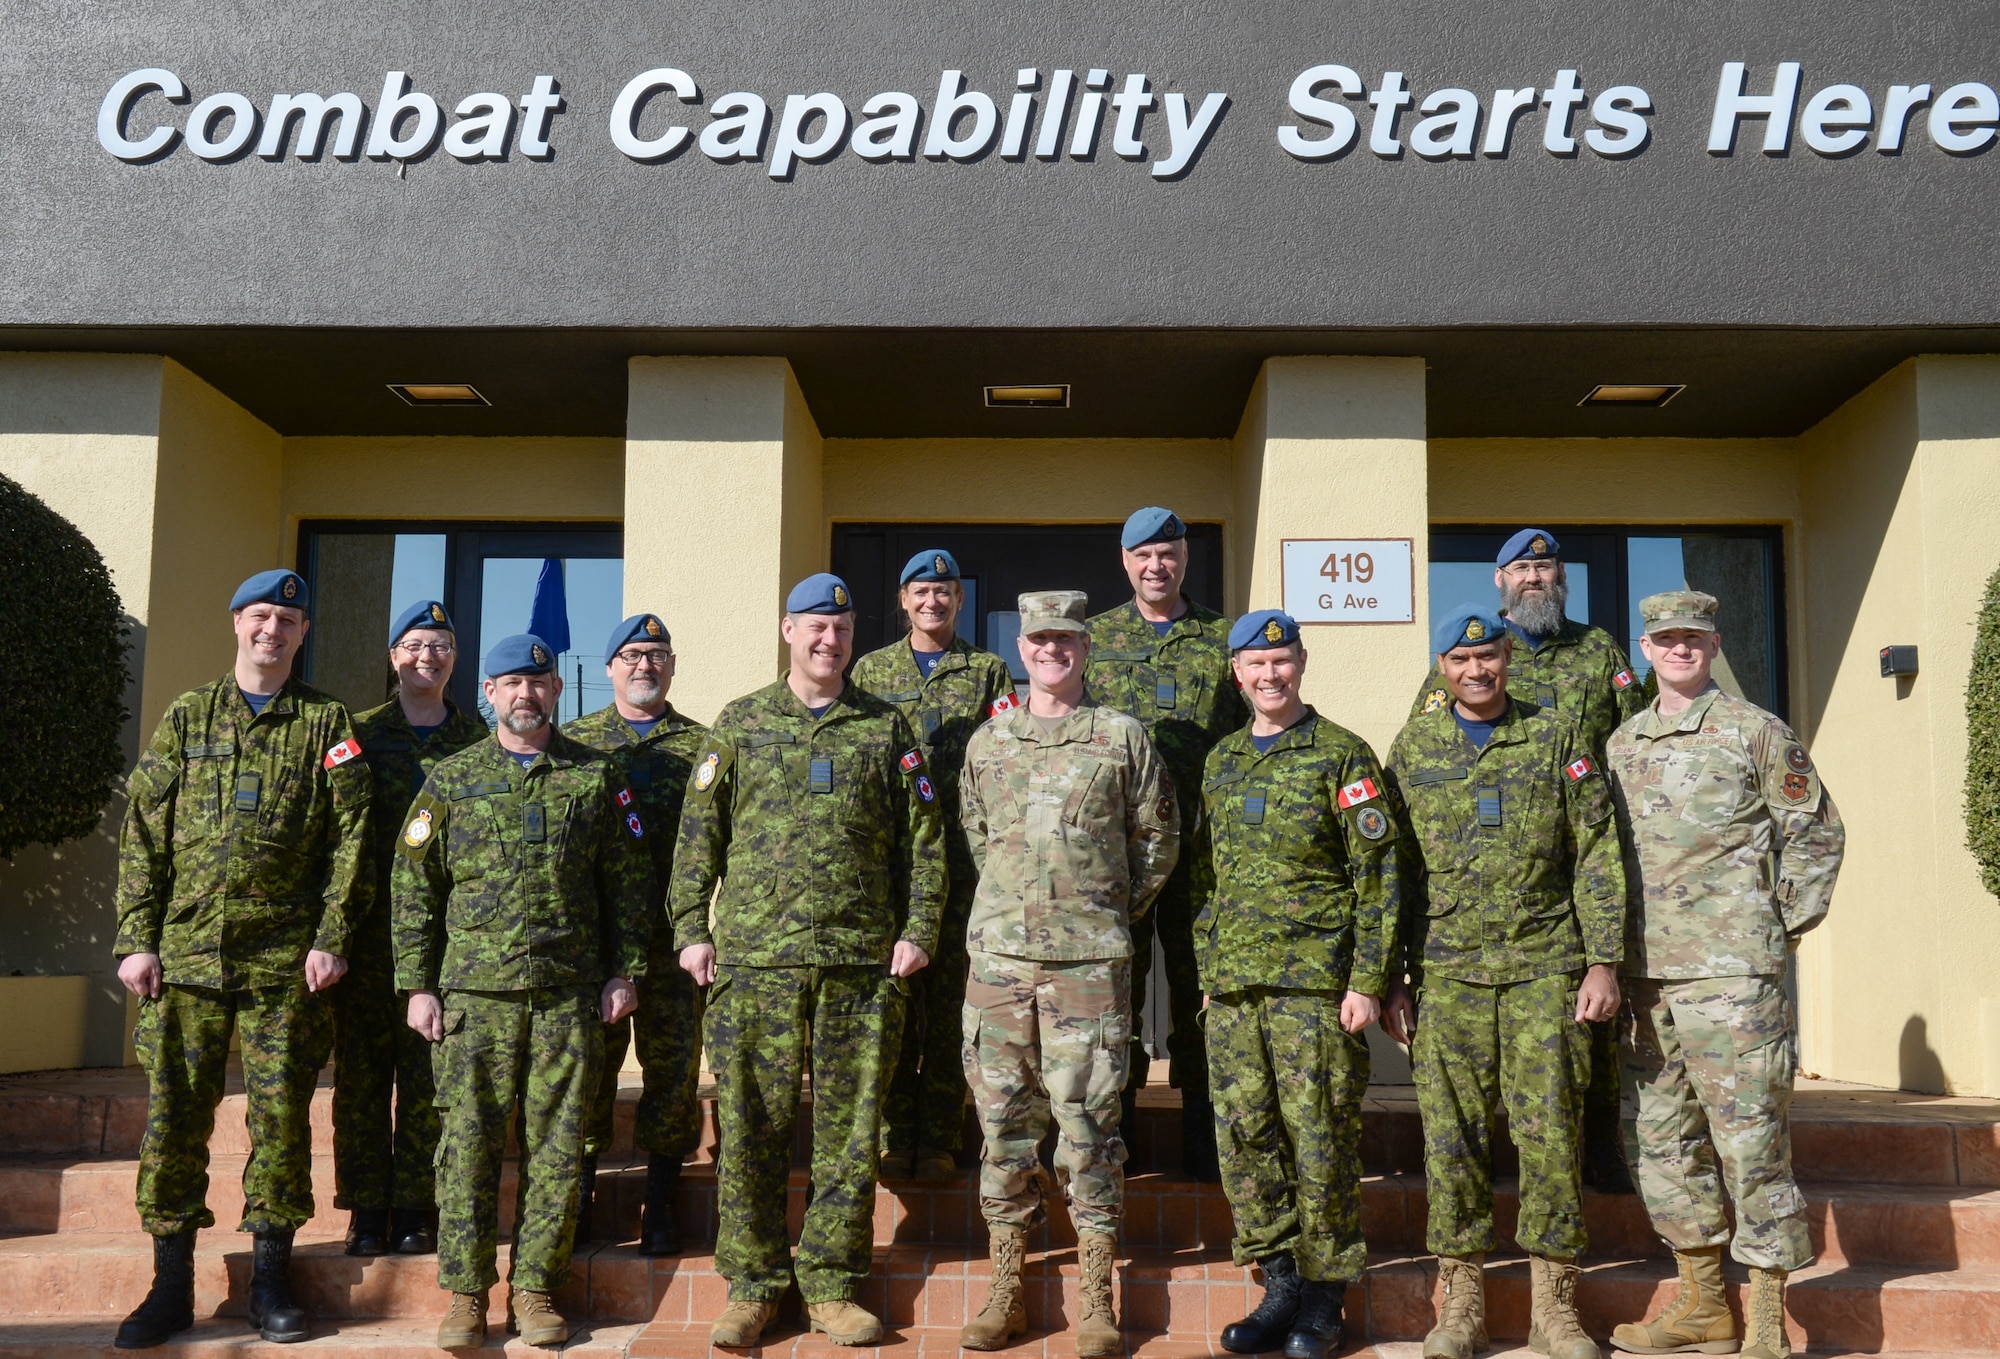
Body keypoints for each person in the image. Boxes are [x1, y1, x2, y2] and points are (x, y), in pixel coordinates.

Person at [671, 573, 945, 1350]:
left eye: (843, 628)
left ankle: (829, 1284)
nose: (830, 640)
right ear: (788, 631)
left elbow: (925, 841)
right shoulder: (741, 723)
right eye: (815, 627)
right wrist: (692, 928)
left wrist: (919, 928)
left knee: (850, 1134)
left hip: (860, 966)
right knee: (751, 1128)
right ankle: (754, 1285)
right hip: (757, 963)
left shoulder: (885, 727)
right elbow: (699, 837)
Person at [112, 568, 372, 1348]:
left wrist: (332, 936)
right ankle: (169, 1285)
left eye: (287, 621)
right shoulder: (188, 716)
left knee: (283, 1120)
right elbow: (144, 832)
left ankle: (270, 1280)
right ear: (236, 622)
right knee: (173, 1123)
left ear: (301, 634)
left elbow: (352, 839)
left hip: (284, 967)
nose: (272, 630)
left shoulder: (328, 723)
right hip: (185, 959)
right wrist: (136, 936)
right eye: (261, 615)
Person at [391, 634, 649, 1350]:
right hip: (474, 999)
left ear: (558, 692)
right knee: (467, 1148)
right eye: (511, 683)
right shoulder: (449, 778)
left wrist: (624, 970)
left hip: (566, 997)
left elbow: (626, 881)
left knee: (558, 1149)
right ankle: (466, 1295)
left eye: (538, 683)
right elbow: (413, 885)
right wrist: (416, 983)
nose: (526, 695)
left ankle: (536, 1288)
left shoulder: (596, 778)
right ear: (490, 692)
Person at [1383, 606, 1627, 1359]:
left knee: (1550, 1130)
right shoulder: (1414, 746)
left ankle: (1556, 1308)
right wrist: (1391, 976)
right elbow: (1394, 872)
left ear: (1507, 659)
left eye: (1487, 656)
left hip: (1543, 965)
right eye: (1460, 660)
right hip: (1448, 971)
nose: (1476, 670)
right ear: (1443, 669)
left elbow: (1596, 850)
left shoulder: (1557, 735)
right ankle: (1462, 1305)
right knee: (1450, 1139)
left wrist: (1602, 959)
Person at [1606, 592, 1844, 1359]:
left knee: (1749, 1139)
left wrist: (1776, 927)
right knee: (1661, 1138)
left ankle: (1769, 1316)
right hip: (1645, 979)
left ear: (1714, 644)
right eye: (1667, 638)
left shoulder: (1755, 731)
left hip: (1734, 977)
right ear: (1645, 647)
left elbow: (1815, 833)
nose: (1681, 649)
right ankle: (1704, 1302)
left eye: (1695, 638)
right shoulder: (1622, 745)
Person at [958, 590, 1180, 1357]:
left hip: (1087, 966)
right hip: (1000, 966)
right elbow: (978, 835)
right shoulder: (989, 744)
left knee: (1088, 1130)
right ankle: (1006, 1289)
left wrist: (1098, 908)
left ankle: (1095, 1298)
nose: (1052, 650)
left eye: (1066, 640)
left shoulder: (1121, 738)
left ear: (1086, 648)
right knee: (1003, 1129)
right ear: (1022, 650)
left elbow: (1156, 839)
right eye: (1039, 639)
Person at [1407, 529, 1646, 1193]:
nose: (1534, 576)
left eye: (1544, 565)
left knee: (1588, 1027)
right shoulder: (1458, 660)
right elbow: (1430, 752)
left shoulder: (1598, 651)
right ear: (1500, 578)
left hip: (1577, 862)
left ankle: (1599, 1150)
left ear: (1560, 574)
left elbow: (1632, 741)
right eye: (1522, 566)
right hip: (1482, 892)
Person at [1201, 610, 1405, 1359]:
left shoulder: (1343, 755)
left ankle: (1324, 1298)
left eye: (1280, 661)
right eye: (1255, 664)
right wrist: (1209, 971)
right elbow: (1204, 876)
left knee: (1320, 1143)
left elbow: (1378, 878)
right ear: (1237, 673)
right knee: (1247, 1141)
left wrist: (1368, 982)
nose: (1269, 675)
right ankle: (1278, 1283)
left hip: (1316, 991)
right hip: (1235, 990)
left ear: (1302, 664)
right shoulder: (1222, 759)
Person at [1085, 506, 1244, 1179]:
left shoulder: (1224, 638)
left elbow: (1247, 738)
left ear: (1184, 559)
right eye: (1144, 554)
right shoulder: (1094, 639)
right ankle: (1113, 1145)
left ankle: (1206, 1146)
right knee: (1116, 997)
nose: (1157, 565)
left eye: (1168, 553)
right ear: (1126, 561)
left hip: (1201, 852)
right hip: (1117, 853)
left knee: (1201, 993)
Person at [850, 549, 1017, 1182]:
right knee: (894, 1007)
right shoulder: (870, 669)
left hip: (961, 863)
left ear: (958, 600)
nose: (932, 602)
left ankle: (941, 1135)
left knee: (950, 1007)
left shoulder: (986, 670)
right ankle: (898, 1135)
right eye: (921, 591)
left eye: (943, 591)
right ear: (902, 599)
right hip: (889, 864)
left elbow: (1001, 759)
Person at [332, 600, 488, 1259]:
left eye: (442, 645)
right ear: (393, 655)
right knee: (363, 1080)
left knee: (430, 1080)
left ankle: (416, 1210)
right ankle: (367, 1210)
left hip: (447, 941)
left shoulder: (477, 740)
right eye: (416, 644)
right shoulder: (354, 734)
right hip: (368, 935)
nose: (429, 655)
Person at [565, 612, 707, 1255]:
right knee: (590, 1074)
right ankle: (584, 1199)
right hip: (593, 946)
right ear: (609, 668)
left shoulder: (703, 747)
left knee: (672, 1074)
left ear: (672, 666)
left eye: (656, 654)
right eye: (632, 655)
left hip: (674, 942)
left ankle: (661, 1205)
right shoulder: (573, 744)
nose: (644, 665)